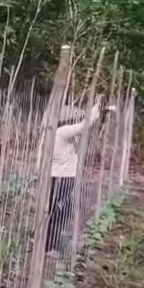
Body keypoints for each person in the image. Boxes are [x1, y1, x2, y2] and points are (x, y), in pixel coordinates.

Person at [47, 97, 112, 255]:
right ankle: (48, 247)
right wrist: (97, 107)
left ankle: (51, 241)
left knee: (60, 209)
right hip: (61, 178)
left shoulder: (57, 134)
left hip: (60, 177)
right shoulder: (62, 132)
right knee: (57, 212)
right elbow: (84, 125)